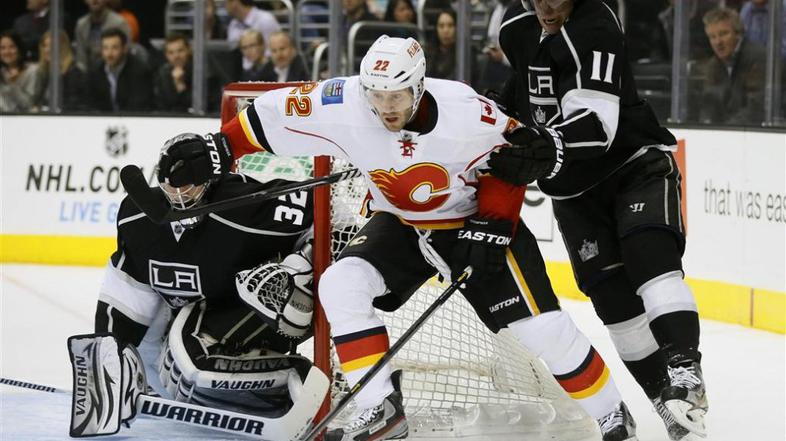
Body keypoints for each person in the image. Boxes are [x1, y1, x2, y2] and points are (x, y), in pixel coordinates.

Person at [157, 35, 637, 441]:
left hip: (472, 226)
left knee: (542, 332)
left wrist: (493, 223)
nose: (386, 108)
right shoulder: (343, 101)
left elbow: (516, 161)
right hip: (401, 224)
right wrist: (220, 147)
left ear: (419, 86)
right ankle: (380, 407)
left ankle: (613, 415)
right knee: (340, 285)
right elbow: (271, 114)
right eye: (377, 96)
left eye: (397, 97)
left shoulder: (467, 114)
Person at [490, 1, 709, 440]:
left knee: (651, 265)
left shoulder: (596, 23)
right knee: (616, 309)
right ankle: (666, 399)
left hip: (633, 166)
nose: (546, 6)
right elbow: (523, 86)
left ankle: (686, 372)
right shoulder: (515, 25)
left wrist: (546, 145)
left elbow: (598, 123)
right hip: (574, 195)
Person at [66, 137, 321, 437]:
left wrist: (298, 267)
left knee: (187, 363)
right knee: (160, 370)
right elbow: (128, 287)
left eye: (190, 189)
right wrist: (109, 353)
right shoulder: (136, 216)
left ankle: (298, 381)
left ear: (210, 182)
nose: (180, 198)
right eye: (172, 189)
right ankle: (233, 399)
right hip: (195, 310)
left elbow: (329, 211)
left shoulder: (245, 208)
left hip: (260, 308)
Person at [690, 7, 767, 124]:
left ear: (738, 34)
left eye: (723, 34)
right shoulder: (714, 65)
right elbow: (708, 106)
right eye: (712, 36)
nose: (718, 42)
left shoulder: (759, 59)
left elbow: (756, 109)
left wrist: (724, 132)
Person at [86, 27, 152, 112]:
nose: (109, 54)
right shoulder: (95, 70)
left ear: (124, 49)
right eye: (105, 48)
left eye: (114, 48)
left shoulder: (140, 71)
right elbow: (91, 103)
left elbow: (138, 107)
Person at [32, 30, 85, 111]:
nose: (47, 50)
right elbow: (36, 101)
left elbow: (74, 105)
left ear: (62, 47)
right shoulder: (42, 71)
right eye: (44, 45)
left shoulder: (74, 72)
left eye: (51, 45)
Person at [425, 9, 479, 85]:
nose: (446, 30)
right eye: (441, 26)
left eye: (450, 25)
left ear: (457, 28)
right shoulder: (428, 52)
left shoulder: (466, 53)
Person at [74, 0, 131, 70]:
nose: (94, 0)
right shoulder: (81, 25)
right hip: (88, 76)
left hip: (114, 73)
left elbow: (126, 56)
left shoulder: (119, 24)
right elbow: (81, 60)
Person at [0, 30, 38, 113]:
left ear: (19, 48)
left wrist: (12, 85)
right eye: (2, 48)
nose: (7, 52)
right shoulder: (2, 72)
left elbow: (29, 105)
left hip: (25, 121)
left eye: (12, 47)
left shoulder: (32, 71)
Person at [153, 33, 192, 112]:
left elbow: (193, 106)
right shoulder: (162, 74)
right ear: (166, 55)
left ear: (189, 50)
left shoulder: (200, 72)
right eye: (171, 53)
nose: (176, 56)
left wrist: (180, 86)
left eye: (180, 51)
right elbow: (161, 105)